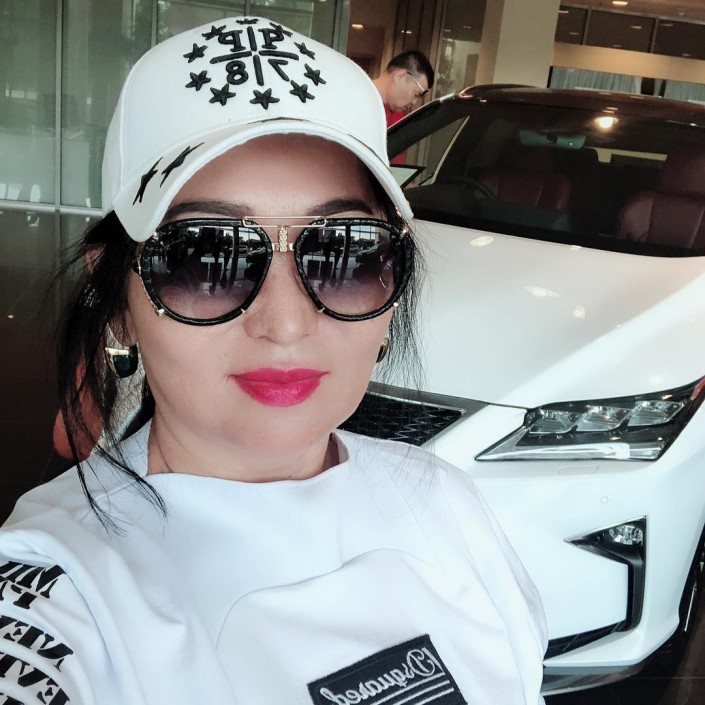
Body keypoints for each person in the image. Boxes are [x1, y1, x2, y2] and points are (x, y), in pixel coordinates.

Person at [0, 16, 546, 705]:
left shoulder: (444, 500)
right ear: (118, 300)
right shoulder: (59, 587)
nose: (286, 324)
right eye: (205, 256)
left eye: (345, 253)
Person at [372, 50, 435, 127]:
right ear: (400, 77)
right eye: (416, 94)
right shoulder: (359, 98)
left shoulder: (398, 121)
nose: (414, 102)